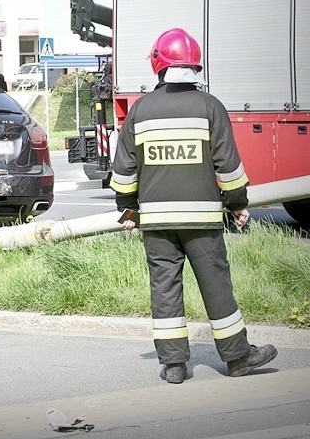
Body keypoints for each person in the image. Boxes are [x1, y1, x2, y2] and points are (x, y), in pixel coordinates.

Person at [109, 27, 277, 384]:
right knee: (216, 286)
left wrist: (129, 208)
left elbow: (124, 171)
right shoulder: (209, 106)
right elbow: (228, 167)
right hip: (202, 220)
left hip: (156, 222)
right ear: (195, 65)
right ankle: (237, 357)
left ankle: (173, 364)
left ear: (158, 63)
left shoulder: (140, 111)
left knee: (165, 287)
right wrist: (237, 204)